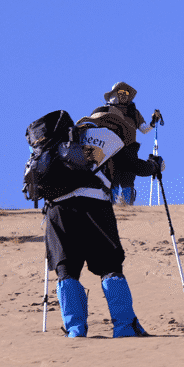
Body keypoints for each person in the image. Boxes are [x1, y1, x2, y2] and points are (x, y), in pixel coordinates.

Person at [39, 109, 162, 337]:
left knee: (67, 269)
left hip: (58, 210)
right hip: (95, 206)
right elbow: (134, 166)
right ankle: (125, 327)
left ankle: (75, 329)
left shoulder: (56, 142)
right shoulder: (108, 137)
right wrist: (155, 166)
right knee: (109, 265)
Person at [98, 82, 161, 205]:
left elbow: (144, 129)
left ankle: (127, 206)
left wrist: (153, 122)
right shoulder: (106, 110)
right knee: (113, 178)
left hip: (129, 150)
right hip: (112, 149)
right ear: (115, 94)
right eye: (121, 92)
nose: (124, 95)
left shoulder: (133, 112)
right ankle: (113, 206)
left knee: (128, 179)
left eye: (126, 93)